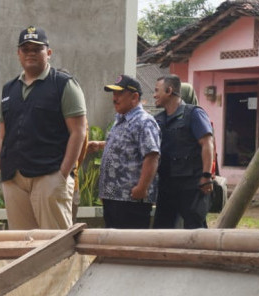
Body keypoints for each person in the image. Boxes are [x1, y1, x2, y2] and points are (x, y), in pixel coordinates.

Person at [0, 26, 87, 230]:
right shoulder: (9, 89)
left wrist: (62, 174)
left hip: (49, 175)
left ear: (48, 53)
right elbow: (3, 137)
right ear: (18, 53)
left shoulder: (64, 84)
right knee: (22, 244)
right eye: (26, 48)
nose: (31, 53)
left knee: (55, 245)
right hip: (15, 179)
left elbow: (79, 132)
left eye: (37, 49)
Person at [92, 75, 160, 229]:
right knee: (114, 246)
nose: (114, 98)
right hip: (113, 198)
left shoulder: (144, 122)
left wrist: (141, 188)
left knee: (129, 247)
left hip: (130, 200)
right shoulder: (121, 120)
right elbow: (127, 146)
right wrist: (100, 145)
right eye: (114, 94)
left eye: (119, 94)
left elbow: (152, 155)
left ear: (134, 97)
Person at [153, 74, 214, 229]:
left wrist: (206, 176)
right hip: (167, 184)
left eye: (157, 90)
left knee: (195, 229)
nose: (154, 95)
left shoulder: (194, 114)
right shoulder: (158, 119)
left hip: (192, 184)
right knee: (162, 228)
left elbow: (207, 143)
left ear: (169, 90)